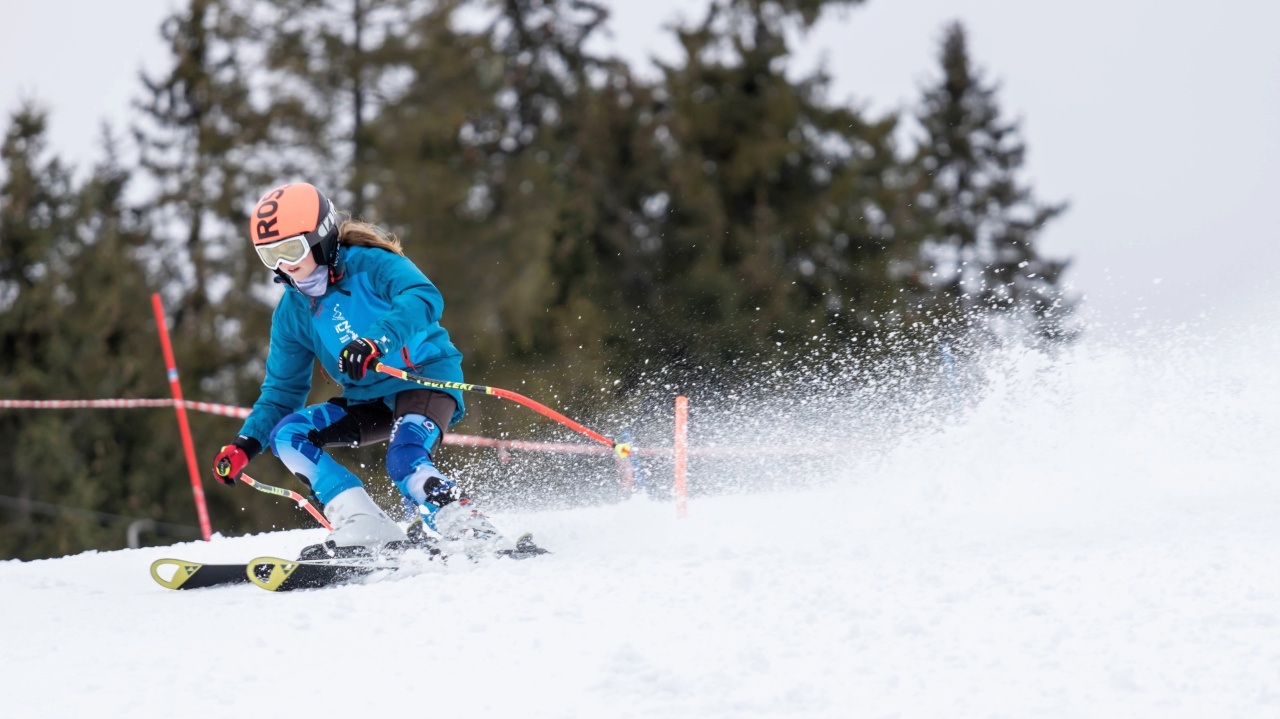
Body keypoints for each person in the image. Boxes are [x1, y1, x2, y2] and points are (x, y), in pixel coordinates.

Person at [211, 182, 499, 556]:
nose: (284, 263)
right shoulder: (292, 312)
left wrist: (376, 341)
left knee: (404, 457)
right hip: (368, 398)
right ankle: (365, 522)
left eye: (291, 249)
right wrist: (246, 445)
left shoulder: (369, 263)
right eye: (270, 255)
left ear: (319, 237)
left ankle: (463, 522)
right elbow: (282, 392)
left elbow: (423, 296)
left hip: (423, 377)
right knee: (289, 436)